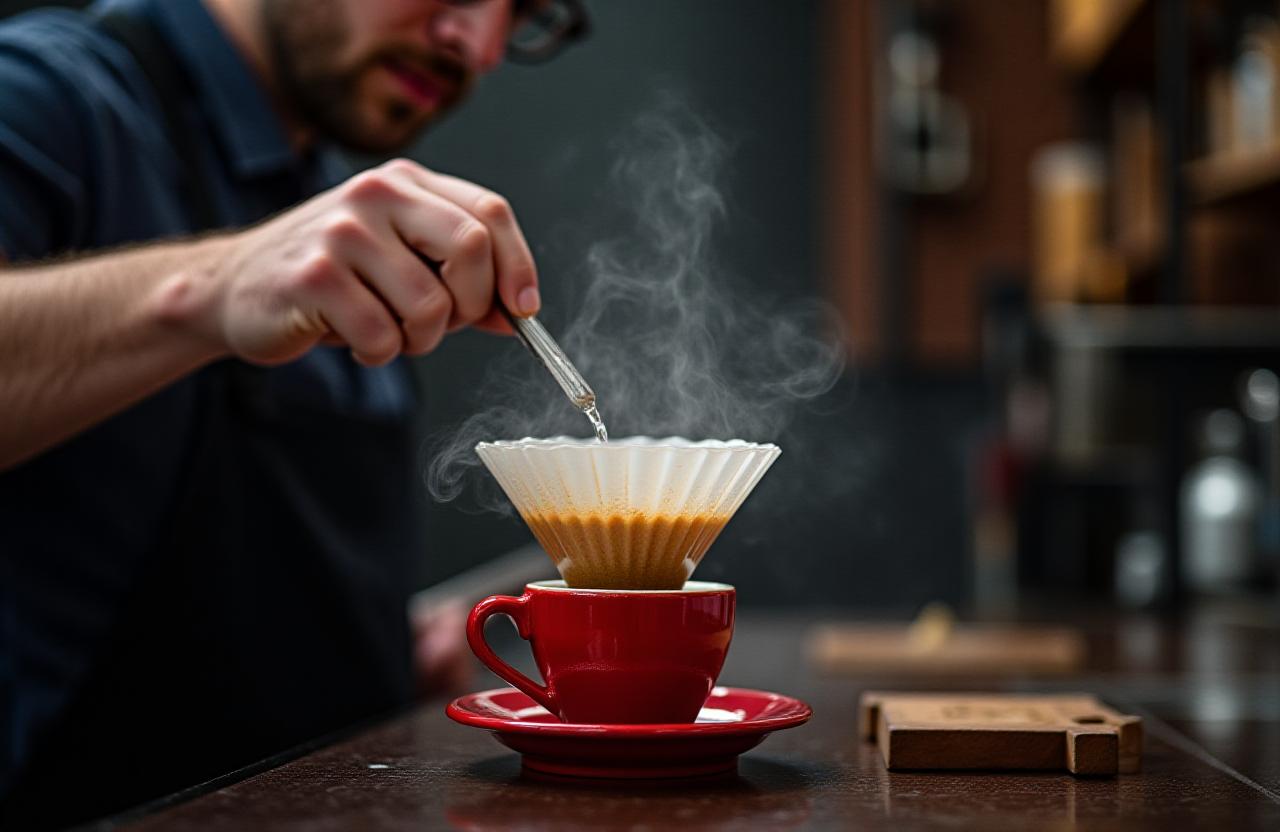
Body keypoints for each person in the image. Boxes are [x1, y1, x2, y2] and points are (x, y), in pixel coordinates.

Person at [0, 0, 587, 825]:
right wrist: (210, 290)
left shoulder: (337, 196)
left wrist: (378, 656)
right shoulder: (46, 98)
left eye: (521, 14)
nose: (478, 45)